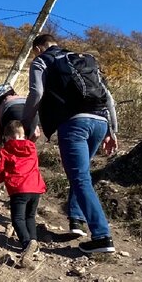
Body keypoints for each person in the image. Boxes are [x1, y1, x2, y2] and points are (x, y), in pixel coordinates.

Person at [22, 33, 119, 255]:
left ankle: (102, 235)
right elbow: (108, 97)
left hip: (74, 124)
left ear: (38, 48)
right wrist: (112, 130)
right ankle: (77, 220)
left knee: (80, 177)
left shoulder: (42, 60)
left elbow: (37, 92)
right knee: (81, 174)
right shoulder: (82, 59)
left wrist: (26, 123)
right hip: (100, 122)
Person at [0, 119, 46, 266]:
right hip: (35, 188)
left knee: (17, 219)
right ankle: (34, 245)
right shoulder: (32, 148)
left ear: (7, 137)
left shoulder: (4, 151)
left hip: (19, 189)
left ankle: (27, 244)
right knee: (30, 217)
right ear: (23, 135)